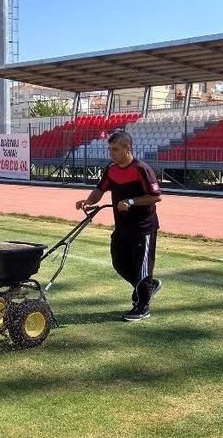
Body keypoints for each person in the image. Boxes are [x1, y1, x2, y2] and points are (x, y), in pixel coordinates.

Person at [75, 131, 163, 321]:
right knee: (119, 263)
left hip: (143, 228)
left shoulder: (141, 169)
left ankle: (142, 306)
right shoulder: (111, 169)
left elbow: (156, 196)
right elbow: (100, 189)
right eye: (110, 149)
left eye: (115, 149)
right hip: (122, 227)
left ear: (127, 148)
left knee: (142, 269)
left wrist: (130, 201)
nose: (111, 153)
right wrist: (89, 201)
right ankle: (147, 287)